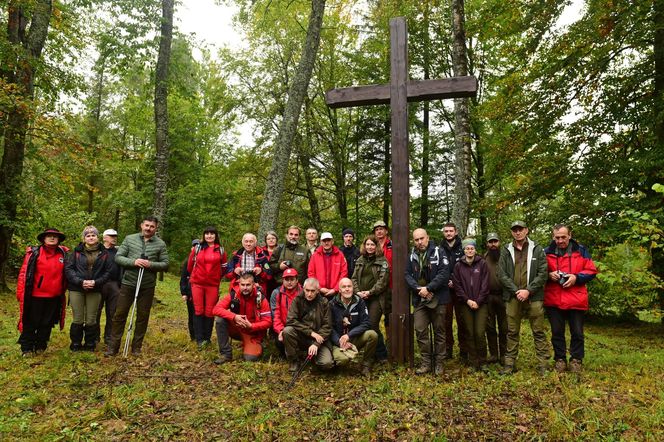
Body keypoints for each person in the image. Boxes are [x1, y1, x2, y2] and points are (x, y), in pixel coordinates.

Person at [105, 216, 169, 356]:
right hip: (128, 283)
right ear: (141, 225)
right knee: (120, 314)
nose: (148, 228)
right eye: (146, 225)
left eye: (152, 226)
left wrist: (150, 264)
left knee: (142, 316)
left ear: (156, 228)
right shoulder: (130, 239)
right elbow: (119, 257)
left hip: (147, 285)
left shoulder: (160, 244)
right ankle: (113, 347)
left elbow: (165, 264)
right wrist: (134, 262)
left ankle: (136, 348)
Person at [544, 224, 597, 373]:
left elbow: (591, 270)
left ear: (570, 236)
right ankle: (560, 360)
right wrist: (549, 275)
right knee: (557, 332)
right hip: (554, 298)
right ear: (553, 237)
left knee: (577, 333)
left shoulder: (581, 250)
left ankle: (576, 360)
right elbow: (538, 272)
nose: (560, 240)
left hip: (576, 298)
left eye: (563, 237)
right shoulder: (546, 252)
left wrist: (576, 277)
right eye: (557, 237)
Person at [498, 220, 549, 375]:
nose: (517, 232)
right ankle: (509, 364)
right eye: (515, 230)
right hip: (513, 297)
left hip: (534, 296)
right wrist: (516, 291)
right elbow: (501, 274)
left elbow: (543, 273)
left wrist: (528, 290)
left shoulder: (537, 249)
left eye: (520, 229)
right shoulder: (506, 250)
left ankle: (543, 365)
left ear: (526, 230)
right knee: (512, 331)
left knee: (538, 331)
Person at [16, 228, 69, 356]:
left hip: (55, 296)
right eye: (49, 236)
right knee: (31, 322)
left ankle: (41, 345)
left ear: (59, 240)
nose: (52, 238)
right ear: (43, 239)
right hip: (36, 295)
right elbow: (23, 274)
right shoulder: (34, 253)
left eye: (55, 236)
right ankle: (27, 348)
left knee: (47, 323)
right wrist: (20, 292)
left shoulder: (63, 254)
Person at [405, 228, 451, 375]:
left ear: (427, 237)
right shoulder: (412, 255)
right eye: (417, 239)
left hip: (438, 297)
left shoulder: (439, 252)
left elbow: (444, 273)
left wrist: (429, 288)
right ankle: (426, 362)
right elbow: (407, 275)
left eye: (422, 238)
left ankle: (439, 363)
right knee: (420, 330)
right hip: (420, 299)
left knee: (439, 331)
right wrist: (419, 289)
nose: (420, 242)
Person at [65, 226, 113, 351]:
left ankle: (90, 344)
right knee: (78, 318)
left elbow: (108, 272)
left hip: (95, 289)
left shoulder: (105, 253)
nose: (91, 237)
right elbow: (69, 269)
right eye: (88, 235)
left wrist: (96, 282)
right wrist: (80, 282)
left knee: (91, 318)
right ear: (84, 238)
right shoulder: (76, 252)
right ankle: (75, 343)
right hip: (77, 288)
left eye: (93, 235)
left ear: (98, 237)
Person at [213, 272, 272, 363]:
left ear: (253, 285)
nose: (245, 288)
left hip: (253, 333)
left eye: (248, 285)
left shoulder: (261, 298)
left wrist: (252, 326)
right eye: (242, 285)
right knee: (220, 320)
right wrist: (234, 316)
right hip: (237, 328)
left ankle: (253, 344)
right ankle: (226, 354)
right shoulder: (234, 294)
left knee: (250, 358)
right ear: (239, 284)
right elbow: (216, 309)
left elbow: (268, 322)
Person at [452, 238, 490, 371]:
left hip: (481, 304)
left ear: (475, 250)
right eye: (467, 248)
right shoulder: (458, 266)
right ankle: (473, 361)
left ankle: (483, 361)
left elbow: (485, 284)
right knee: (469, 332)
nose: (469, 250)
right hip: (465, 303)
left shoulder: (482, 264)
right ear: (463, 250)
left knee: (479, 332)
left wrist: (478, 301)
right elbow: (457, 286)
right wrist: (468, 300)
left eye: (472, 248)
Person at [187, 226, 227, 349]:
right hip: (197, 284)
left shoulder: (220, 250)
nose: (209, 236)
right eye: (207, 234)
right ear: (204, 235)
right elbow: (189, 266)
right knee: (198, 310)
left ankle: (207, 338)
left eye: (212, 234)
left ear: (216, 236)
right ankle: (199, 339)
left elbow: (224, 268)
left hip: (212, 285)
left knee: (210, 311)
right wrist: (197, 276)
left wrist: (215, 277)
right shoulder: (197, 248)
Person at [282, 277, 334, 372]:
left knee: (327, 364)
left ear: (318, 291)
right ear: (303, 289)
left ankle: (312, 357)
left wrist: (316, 344)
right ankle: (294, 360)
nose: (309, 294)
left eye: (312, 291)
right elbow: (291, 320)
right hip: (301, 336)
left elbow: (327, 326)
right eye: (307, 290)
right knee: (287, 331)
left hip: (319, 339)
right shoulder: (297, 300)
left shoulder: (324, 302)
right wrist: (310, 332)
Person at [351, 234, 389, 361]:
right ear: (364, 245)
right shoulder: (360, 260)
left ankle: (381, 354)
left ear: (376, 246)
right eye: (367, 244)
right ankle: (370, 352)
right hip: (360, 297)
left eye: (372, 244)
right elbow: (354, 278)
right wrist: (358, 292)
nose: (370, 247)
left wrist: (369, 292)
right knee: (362, 324)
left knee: (372, 325)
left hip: (375, 298)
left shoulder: (382, 261)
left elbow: (382, 282)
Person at [330, 278, 377, 375]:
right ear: (339, 290)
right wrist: (340, 342)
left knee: (372, 335)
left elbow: (366, 323)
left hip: (354, 338)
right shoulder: (332, 304)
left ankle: (366, 365)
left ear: (352, 288)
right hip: (338, 342)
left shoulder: (359, 302)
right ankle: (338, 360)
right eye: (344, 287)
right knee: (342, 361)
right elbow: (329, 327)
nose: (347, 289)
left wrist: (349, 335)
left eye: (349, 286)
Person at [441, 222, 467, 360]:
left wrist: (455, 281)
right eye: (446, 231)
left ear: (456, 232)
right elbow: (438, 269)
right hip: (445, 290)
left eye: (451, 231)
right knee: (446, 321)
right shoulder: (440, 249)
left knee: (462, 320)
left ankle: (464, 350)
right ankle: (448, 348)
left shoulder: (463, 248)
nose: (449, 233)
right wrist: (446, 281)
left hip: (461, 290)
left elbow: (467, 268)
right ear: (443, 233)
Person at [96, 228, 121, 346]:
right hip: (98, 285)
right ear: (104, 237)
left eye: (115, 236)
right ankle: (94, 337)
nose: (114, 238)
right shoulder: (97, 251)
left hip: (114, 284)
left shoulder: (119, 252)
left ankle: (109, 338)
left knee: (112, 313)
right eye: (111, 236)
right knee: (95, 312)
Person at [484, 232, 506, 364]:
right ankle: (493, 354)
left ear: (499, 242)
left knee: (504, 327)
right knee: (490, 326)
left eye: (495, 241)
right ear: (487, 244)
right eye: (490, 242)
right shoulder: (483, 258)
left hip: (503, 296)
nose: (493, 244)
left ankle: (504, 355)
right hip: (488, 296)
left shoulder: (506, 257)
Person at [271, 268, 302, 356]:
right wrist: (281, 330)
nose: (289, 282)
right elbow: (275, 316)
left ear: (297, 280)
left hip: (300, 327)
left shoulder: (303, 293)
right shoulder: (277, 293)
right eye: (286, 280)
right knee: (279, 341)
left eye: (292, 279)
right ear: (283, 280)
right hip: (284, 327)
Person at [307, 232, 348, 298]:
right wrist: (319, 288)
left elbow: (344, 273)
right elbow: (311, 273)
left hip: (336, 293)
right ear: (321, 242)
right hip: (319, 292)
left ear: (332, 241)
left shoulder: (340, 255)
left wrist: (335, 289)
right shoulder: (315, 255)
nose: (326, 243)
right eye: (324, 241)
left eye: (328, 240)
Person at [179, 240, 198, 341]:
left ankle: (201, 335)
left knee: (199, 315)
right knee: (191, 315)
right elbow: (183, 278)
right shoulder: (187, 261)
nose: (195, 248)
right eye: (194, 246)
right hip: (190, 293)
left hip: (201, 292)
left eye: (198, 246)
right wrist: (184, 292)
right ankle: (193, 336)